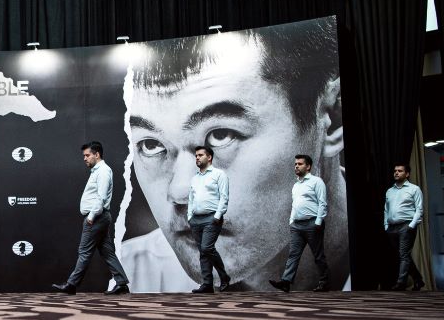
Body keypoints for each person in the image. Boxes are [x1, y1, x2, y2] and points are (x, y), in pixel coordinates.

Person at [120, 17, 348, 291]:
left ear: (332, 120)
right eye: (150, 144)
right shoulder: (130, 278)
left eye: (221, 135)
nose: (179, 191)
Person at [52, 142, 131, 295]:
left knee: (84, 251)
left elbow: (101, 197)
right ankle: (122, 283)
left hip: (96, 218)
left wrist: (91, 216)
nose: (85, 158)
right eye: (84, 156)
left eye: (87, 155)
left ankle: (71, 285)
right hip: (99, 217)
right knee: (107, 252)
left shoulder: (103, 171)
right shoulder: (98, 171)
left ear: (97, 154)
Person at [269, 155, 330, 292]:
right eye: (295, 164)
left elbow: (323, 203)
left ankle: (324, 282)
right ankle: (286, 282)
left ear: (308, 166)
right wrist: (291, 221)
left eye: (300, 164)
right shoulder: (296, 185)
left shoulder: (316, 181)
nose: (296, 166)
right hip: (297, 226)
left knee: (318, 255)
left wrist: (318, 222)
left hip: (312, 223)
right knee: (293, 254)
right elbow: (295, 205)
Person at [186, 145, 230, 293]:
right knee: (203, 253)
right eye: (196, 156)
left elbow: (224, 196)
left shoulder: (219, 174)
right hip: (196, 220)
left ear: (209, 157)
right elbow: (191, 198)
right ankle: (207, 284)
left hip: (212, 218)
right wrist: (190, 216)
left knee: (207, 248)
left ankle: (224, 276)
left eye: (200, 155)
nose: (197, 158)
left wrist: (217, 216)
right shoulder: (195, 178)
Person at [384, 163, 425, 290]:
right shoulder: (389, 191)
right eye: (395, 171)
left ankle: (401, 283)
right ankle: (418, 279)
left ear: (407, 174)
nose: (396, 173)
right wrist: (386, 225)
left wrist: (412, 225)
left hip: (406, 225)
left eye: (400, 171)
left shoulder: (414, 189)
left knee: (403, 255)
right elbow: (386, 210)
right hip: (392, 227)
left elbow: (419, 209)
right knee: (403, 255)